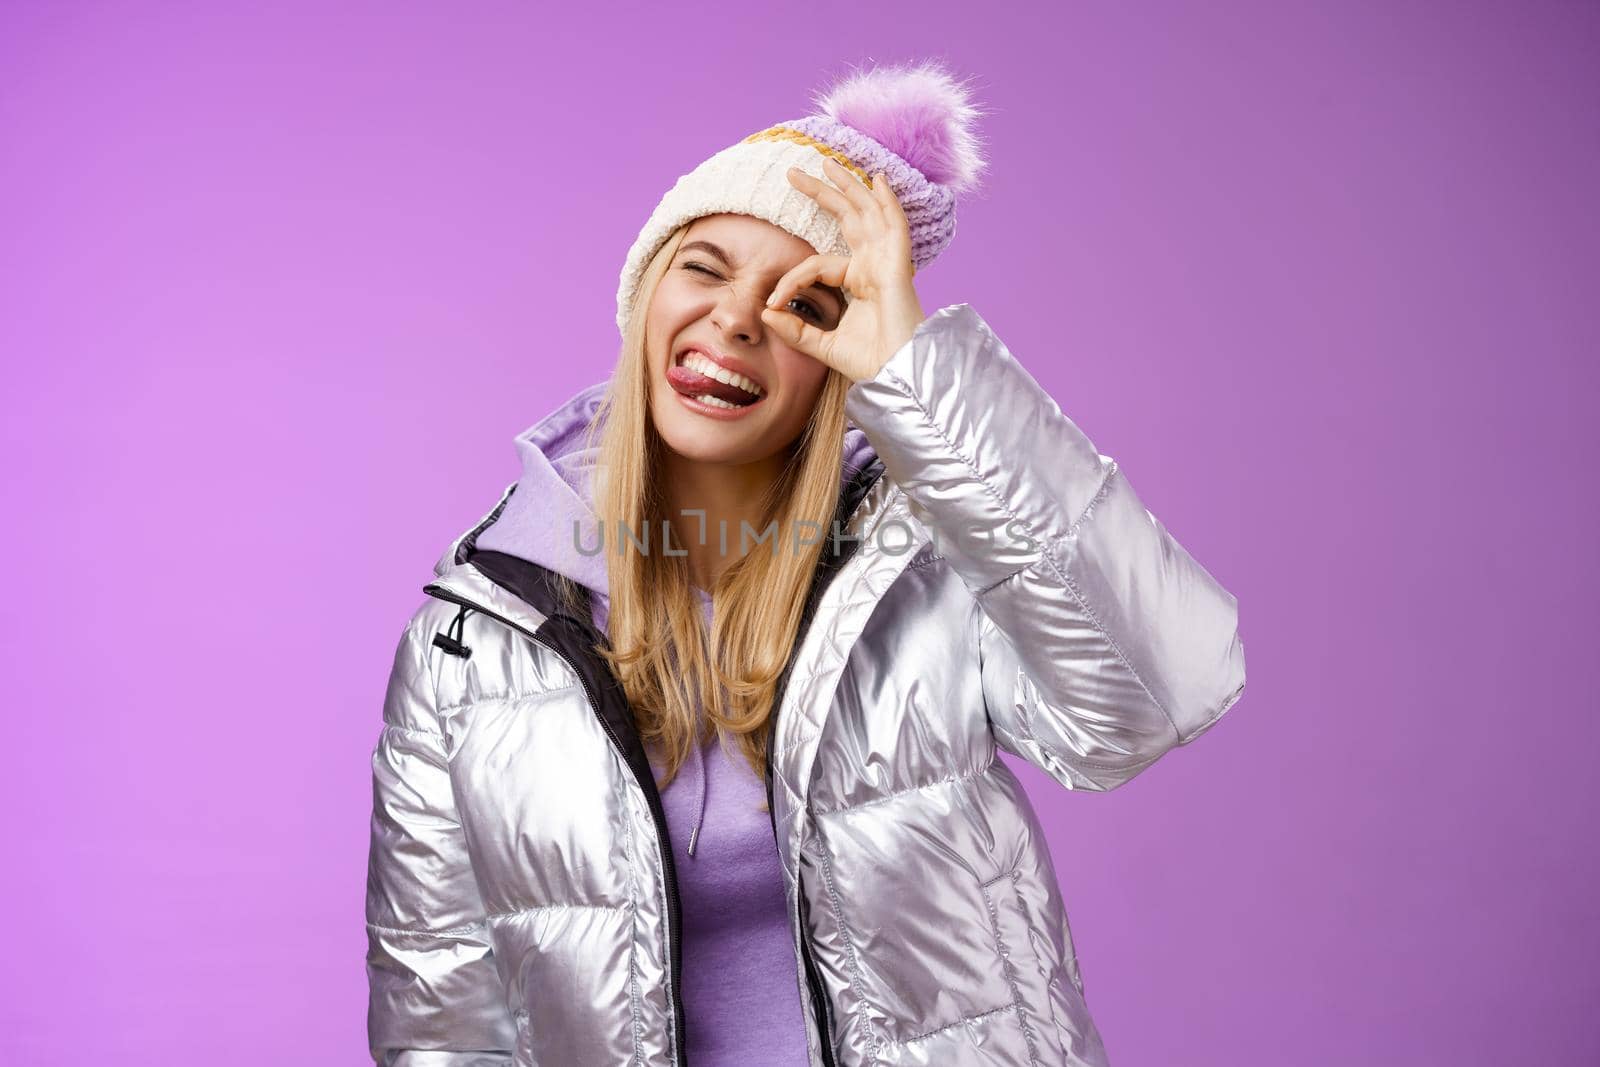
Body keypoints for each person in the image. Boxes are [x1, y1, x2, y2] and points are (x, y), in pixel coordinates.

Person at [364, 58, 1246, 1067]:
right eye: (702, 266)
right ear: (646, 295)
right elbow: (440, 1011)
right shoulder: (475, 632)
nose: (738, 318)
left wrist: (918, 369)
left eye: (804, 301)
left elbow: (1158, 695)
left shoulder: (933, 560)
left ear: (839, 352)